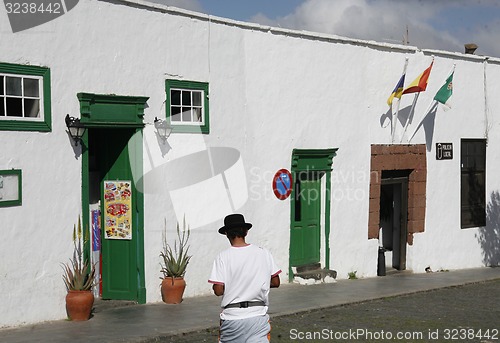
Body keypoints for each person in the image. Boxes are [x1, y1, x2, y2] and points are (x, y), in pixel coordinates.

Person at [208, 214, 281, 343]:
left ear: (226, 233)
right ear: (246, 231)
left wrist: (235, 285)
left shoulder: (222, 257)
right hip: (258, 316)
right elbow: (276, 282)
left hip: (232, 318)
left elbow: (218, 290)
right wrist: (255, 283)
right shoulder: (263, 252)